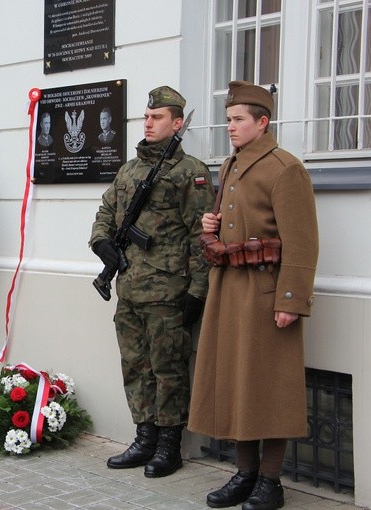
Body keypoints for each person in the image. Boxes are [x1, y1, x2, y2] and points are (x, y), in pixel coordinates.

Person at [188, 81, 319, 510]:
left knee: (270, 388)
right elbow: (230, 222)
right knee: (236, 382)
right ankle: (244, 474)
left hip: (265, 291)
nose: (231, 126)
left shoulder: (285, 168)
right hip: (228, 288)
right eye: (228, 119)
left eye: (238, 119)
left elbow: (302, 243)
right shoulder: (229, 166)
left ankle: (270, 481)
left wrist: (290, 300)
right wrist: (210, 225)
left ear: (262, 122)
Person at [89, 86, 215, 478]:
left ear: (177, 123)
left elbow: (202, 236)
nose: (148, 122)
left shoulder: (189, 172)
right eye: (146, 116)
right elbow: (106, 210)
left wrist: (198, 290)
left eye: (157, 117)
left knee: (168, 370)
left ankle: (168, 446)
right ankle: (143, 438)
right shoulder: (129, 170)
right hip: (129, 289)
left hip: (167, 292)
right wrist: (101, 243)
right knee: (136, 367)